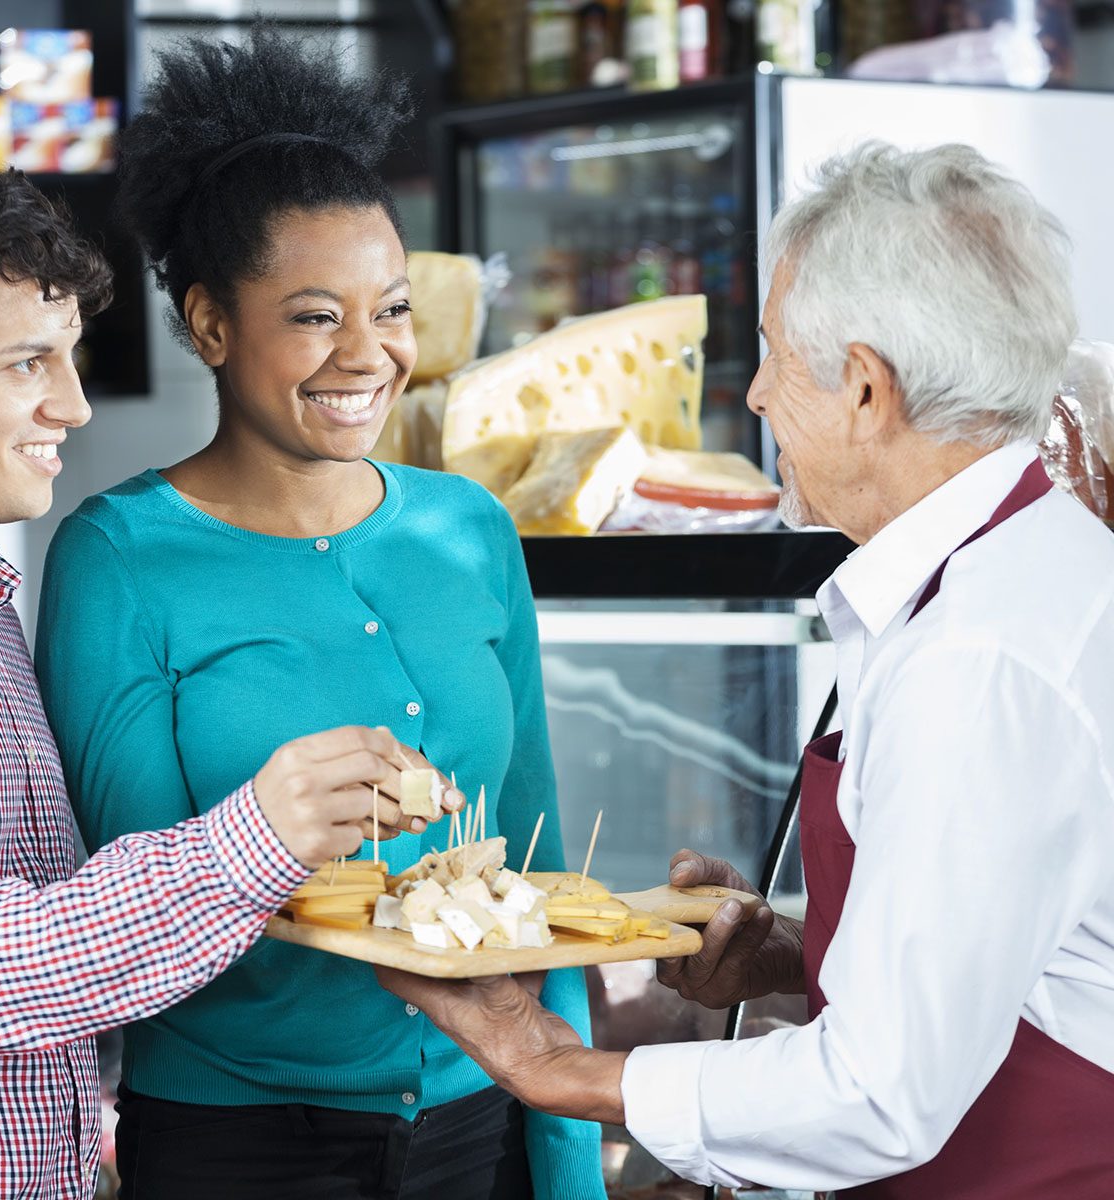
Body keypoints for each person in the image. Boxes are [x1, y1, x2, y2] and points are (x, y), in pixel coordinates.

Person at [377, 142, 1114, 1198]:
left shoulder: (977, 661)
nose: (758, 396)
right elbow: (1026, 947)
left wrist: (562, 1069)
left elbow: (878, 1093)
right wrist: (790, 955)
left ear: (866, 389)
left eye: (772, 353)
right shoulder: (1027, 563)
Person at [35, 27, 603, 1200]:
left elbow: (543, 879)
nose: (368, 354)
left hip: (482, 1120)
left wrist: (567, 1154)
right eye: (311, 315)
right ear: (208, 323)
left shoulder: (470, 529)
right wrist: (282, 827)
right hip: (239, 1146)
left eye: (388, 307)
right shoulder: (117, 558)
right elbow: (125, 913)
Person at [0, 146, 455, 1200]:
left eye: (70, 359)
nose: (73, 409)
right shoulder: (94, 561)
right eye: (29, 364)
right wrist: (256, 836)